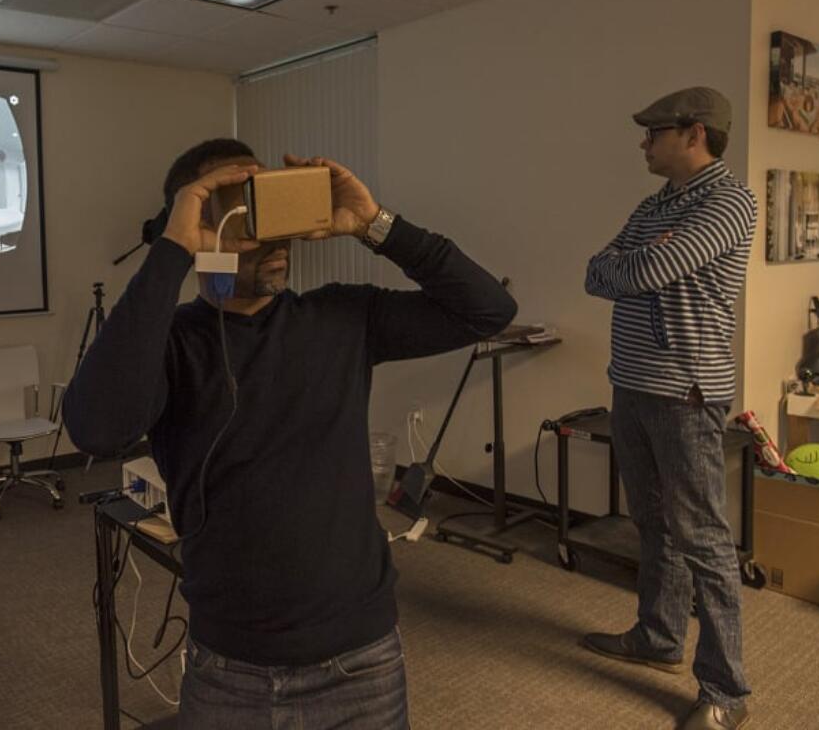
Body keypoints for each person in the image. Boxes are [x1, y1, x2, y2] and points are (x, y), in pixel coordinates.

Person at [64, 138, 516, 729]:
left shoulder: (341, 317)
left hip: (362, 662)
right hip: (231, 669)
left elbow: (488, 310)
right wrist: (173, 249)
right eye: (243, 213)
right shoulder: (172, 345)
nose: (272, 238)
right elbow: (97, 428)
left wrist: (374, 224)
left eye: (273, 210)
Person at [583, 87, 757, 730]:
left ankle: (726, 690)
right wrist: (638, 260)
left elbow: (648, 270)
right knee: (652, 524)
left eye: (654, 132)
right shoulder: (654, 205)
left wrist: (638, 261)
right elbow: (598, 272)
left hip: (686, 394)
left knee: (704, 539)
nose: (643, 142)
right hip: (631, 384)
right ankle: (658, 639)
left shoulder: (731, 200)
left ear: (694, 133)